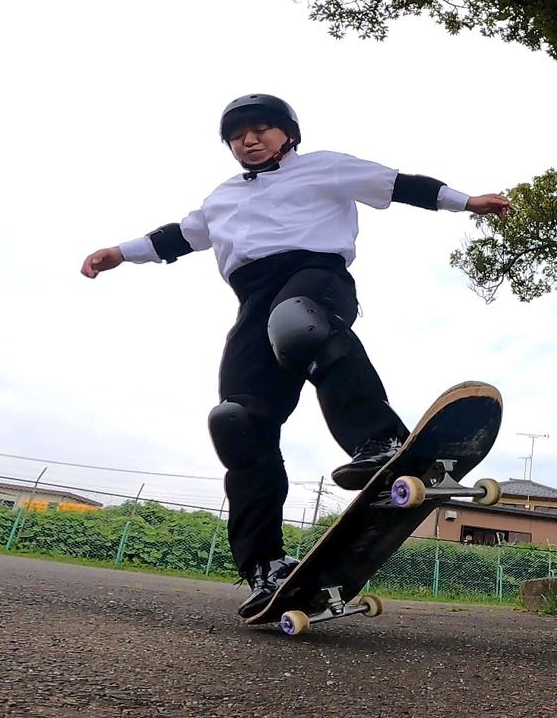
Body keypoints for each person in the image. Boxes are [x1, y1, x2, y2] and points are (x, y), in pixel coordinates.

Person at [80, 93, 511, 617]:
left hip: (316, 279)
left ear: (287, 134)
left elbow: (398, 185)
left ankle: (379, 438)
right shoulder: (221, 197)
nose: (250, 140)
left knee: (299, 323)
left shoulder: (324, 167)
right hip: (252, 301)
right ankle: (264, 565)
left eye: (262, 130)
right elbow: (180, 236)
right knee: (238, 421)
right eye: (239, 136)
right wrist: (119, 254)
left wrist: (465, 201)